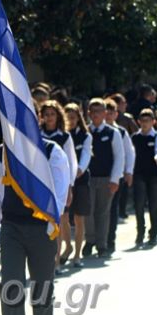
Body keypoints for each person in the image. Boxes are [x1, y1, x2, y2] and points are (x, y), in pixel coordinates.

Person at [0, 133, 69, 315]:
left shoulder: (52, 151)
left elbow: (60, 193)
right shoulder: (0, 153)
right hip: (12, 227)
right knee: (11, 285)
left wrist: (51, 224)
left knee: (42, 288)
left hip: (41, 227)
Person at [38, 100, 77, 268]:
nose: (49, 117)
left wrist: (69, 187)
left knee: (58, 221)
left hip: (59, 184)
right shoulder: (37, 135)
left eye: (52, 114)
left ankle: (56, 262)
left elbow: (71, 163)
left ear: (58, 116)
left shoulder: (65, 137)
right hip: (42, 183)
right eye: (46, 114)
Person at [83, 98, 123, 258]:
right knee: (88, 212)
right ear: (89, 113)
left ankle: (102, 244)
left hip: (107, 178)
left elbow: (119, 157)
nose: (96, 114)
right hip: (88, 179)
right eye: (93, 111)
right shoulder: (85, 131)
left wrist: (115, 179)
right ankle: (89, 241)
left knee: (103, 212)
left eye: (100, 111)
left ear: (105, 113)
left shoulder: (113, 132)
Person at [104, 98, 135, 253]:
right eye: (106, 112)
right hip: (99, 175)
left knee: (112, 208)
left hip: (116, 175)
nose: (108, 116)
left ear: (116, 114)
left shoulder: (121, 132)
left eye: (111, 113)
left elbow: (129, 153)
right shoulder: (93, 130)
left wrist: (128, 171)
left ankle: (110, 240)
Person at [130, 109, 157, 246]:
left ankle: (153, 233)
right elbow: (131, 154)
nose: (145, 123)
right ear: (139, 122)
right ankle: (140, 233)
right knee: (139, 204)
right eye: (143, 121)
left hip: (154, 175)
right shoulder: (135, 137)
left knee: (154, 205)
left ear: (153, 122)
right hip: (138, 174)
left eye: (148, 121)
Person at [64, 103, 92, 267]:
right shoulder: (61, 135)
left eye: (73, 117)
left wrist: (78, 171)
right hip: (63, 182)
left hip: (80, 181)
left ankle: (77, 255)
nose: (70, 121)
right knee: (63, 218)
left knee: (79, 218)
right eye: (67, 117)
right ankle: (67, 247)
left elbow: (85, 157)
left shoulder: (85, 136)